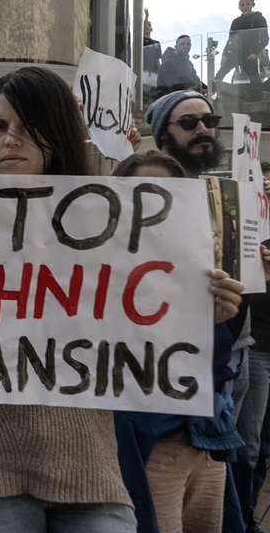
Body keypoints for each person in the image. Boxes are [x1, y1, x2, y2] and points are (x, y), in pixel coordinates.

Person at [0, 67, 245, 532]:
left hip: (86, 461)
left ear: (56, 134)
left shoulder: (109, 226)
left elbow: (147, 345)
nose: (10, 140)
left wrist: (206, 315)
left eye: (28, 126)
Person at [111, 150, 251, 533]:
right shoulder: (99, 280)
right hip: (150, 446)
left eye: (172, 195)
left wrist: (222, 311)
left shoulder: (201, 267)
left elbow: (216, 362)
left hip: (205, 439)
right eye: (145, 194)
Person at [234, 161, 270, 533]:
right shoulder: (252, 226)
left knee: (261, 447)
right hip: (255, 348)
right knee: (247, 445)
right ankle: (241, 520)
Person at [214, 0, 268, 99]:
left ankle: (257, 102)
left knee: (255, 80)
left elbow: (265, 38)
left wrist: (255, 52)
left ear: (253, 5)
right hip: (234, 53)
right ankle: (213, 95)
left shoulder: (259, 19)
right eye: (242, 5)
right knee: (220, 74)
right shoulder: (236, 22)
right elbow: (230, 39)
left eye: (248, 4)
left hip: (249, 54)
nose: (245, 7)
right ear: (239, 7)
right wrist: (224, 54)